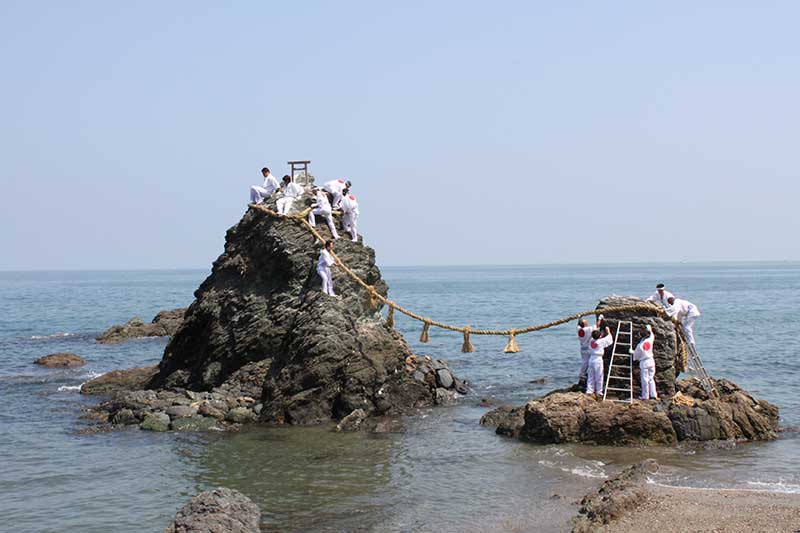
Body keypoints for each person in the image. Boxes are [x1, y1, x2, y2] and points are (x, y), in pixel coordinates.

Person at [631, 325, 658, 400]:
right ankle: (654, 394)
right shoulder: (650, 339)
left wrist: (632, 352)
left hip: (644, 362)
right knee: (651, 379)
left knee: (645, 380)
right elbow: (652, 334)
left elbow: (636, 355)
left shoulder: (640, 345)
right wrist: (649, 328)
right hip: (651, 361)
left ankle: (645, 396)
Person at [586, 326, 614, 399]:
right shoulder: (601, 341)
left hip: (591, 358)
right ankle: (599, 392)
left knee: (591, 375)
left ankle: (589, 390)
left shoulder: (591, 340)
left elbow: (596, 336)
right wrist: (608, 331)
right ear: (600, 336)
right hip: (598, 359)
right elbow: (609, 340)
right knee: (599, 376)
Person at [577, 314, 604, 386]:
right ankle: (583, 374)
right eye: (586, 322)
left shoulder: (579, 329)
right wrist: (600, 318)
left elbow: (578, 324)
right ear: (585, 324)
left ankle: (583, 374)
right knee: (586, 362)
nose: (587, 323)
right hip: (587, 349)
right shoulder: (587, 329)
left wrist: (580, 317)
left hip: (582, 348)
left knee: (584, 361)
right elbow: (597, 326)